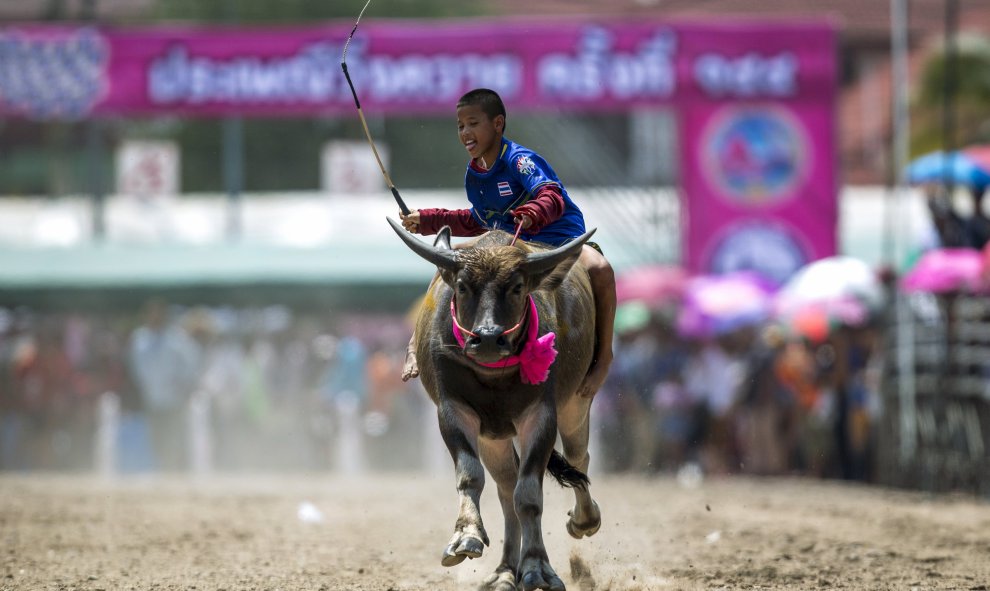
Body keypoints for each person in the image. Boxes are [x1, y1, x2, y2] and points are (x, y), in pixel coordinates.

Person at [398, 88, 616, 399]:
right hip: (510, 249)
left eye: (473, 123)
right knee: (451, 256)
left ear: (498, 124)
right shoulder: (474, 175)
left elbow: (551, 195)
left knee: (602, 269)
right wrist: (427, 220)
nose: (465, 133)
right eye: (460, 126)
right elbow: (477, 220)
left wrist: (532, 212)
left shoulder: (520, 160)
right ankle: (417, 340)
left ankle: (604, 358)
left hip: (554, 241)